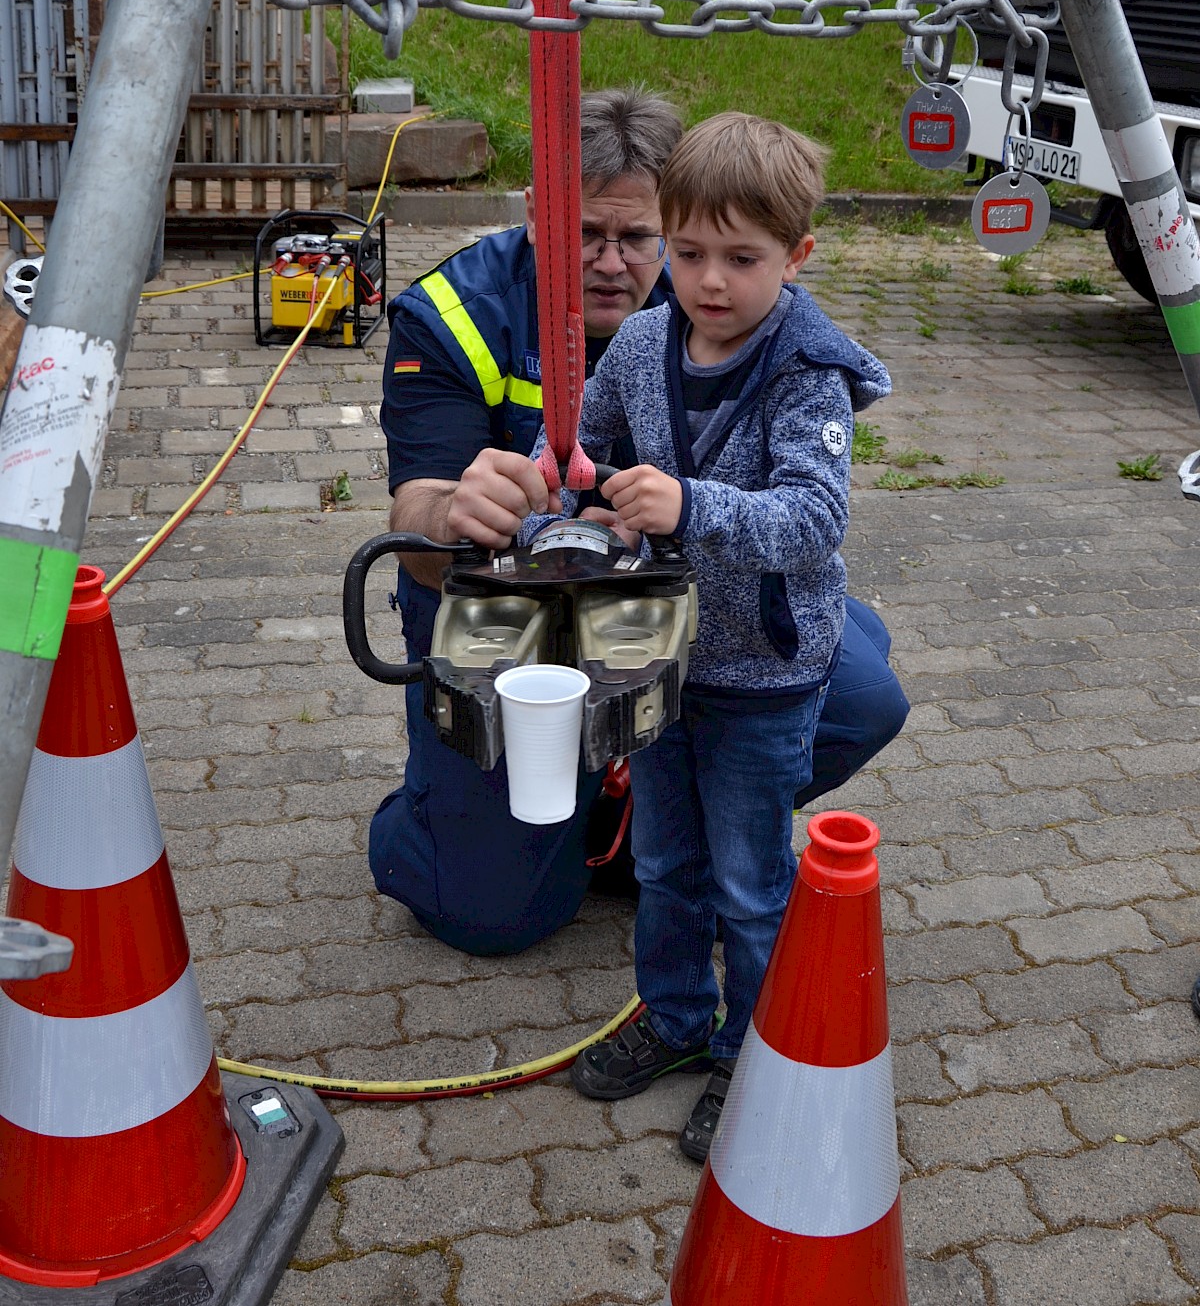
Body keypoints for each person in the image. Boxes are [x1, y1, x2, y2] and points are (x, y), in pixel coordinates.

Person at [371, 87, 909, 956]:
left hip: (680, 609)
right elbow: (411, 521)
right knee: (490, 913)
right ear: (537, 216)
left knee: (858, 694)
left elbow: (809, 507)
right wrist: (455, 512)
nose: (615, 263)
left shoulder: (724, 309)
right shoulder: (451, 317)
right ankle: (440, 813)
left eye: (643, 239)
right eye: (585, 234)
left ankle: (642, 825)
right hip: (507, 627)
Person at [522, 112, 890, 1162]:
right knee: (669, 861)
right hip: (655, 655)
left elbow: (814, 521)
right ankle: (677, 1020)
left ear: (797, 256)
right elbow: (579, 454)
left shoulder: (806, 374)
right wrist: (562, 517)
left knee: (749, 878)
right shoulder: (640, 342)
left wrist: (688, 506)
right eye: (687, 254)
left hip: (766, 671)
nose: (710, 282)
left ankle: (753, 1053)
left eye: (743, 258)